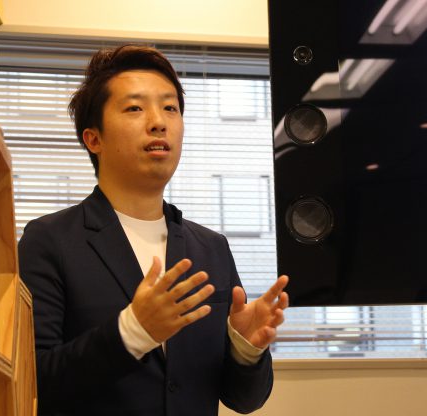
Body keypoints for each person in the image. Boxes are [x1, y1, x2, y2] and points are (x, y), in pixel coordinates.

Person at [18, 44, 289, 416]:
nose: (159, 122)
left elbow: (244, 400)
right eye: (135, 108)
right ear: (93, 139)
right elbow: (34, 382)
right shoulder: (49, 240)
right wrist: (133, 331)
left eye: (170, 108)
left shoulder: (210, 247)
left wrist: (245, 348)